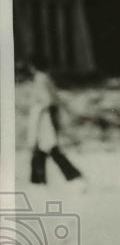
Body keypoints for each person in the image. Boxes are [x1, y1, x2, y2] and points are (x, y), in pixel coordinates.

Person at [27, 56, 83, 185]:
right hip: (48, 115)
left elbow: (48, 100)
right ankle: (37, 179)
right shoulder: (46, 78)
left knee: (47, 147)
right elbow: (55, 98)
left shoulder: (40, 79)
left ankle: (38, 180)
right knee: (44, 148)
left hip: (44, 117)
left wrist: (39, 110)